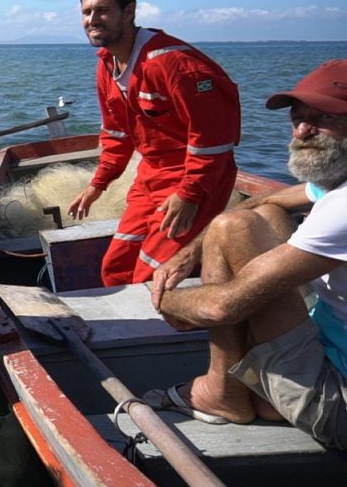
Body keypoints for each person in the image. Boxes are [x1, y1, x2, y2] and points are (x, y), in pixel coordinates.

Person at [146, 59, 347, 449]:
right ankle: (238, 389)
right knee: (259, 215)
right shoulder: (335, 183)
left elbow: (222, 308)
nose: (302, 130)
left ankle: (222, 391)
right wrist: (191, 253)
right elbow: (267, 200)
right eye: (297, 117)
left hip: (335, 402)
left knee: (230, 230)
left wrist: (167, 299)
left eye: (323, 118)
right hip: (330, 349)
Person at [67, 0, 241, 286]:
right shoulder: (107, 64)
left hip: (191, 179)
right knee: (115, 269)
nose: (93, 19)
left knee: (153, 276)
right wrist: (98, 185)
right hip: (150, 176)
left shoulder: (174, 65)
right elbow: (117, 134)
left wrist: (190, 194)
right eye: (86, 12)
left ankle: (181, 326)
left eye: (103, 10)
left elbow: (214, 140)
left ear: (129, 11)